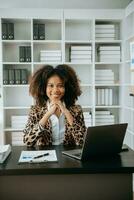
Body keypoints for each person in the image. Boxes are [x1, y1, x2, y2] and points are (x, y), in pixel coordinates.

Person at [23, 64, 86, 147]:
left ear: (67, 88)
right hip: (46, 156)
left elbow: (83, 141)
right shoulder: (35, 110)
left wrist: (66, 112)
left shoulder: (76, 110)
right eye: (51, 85)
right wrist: (48, 114)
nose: (55, 90)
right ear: (43, 88)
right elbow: (28, 141)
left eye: (60, 86)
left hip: (68, 155)